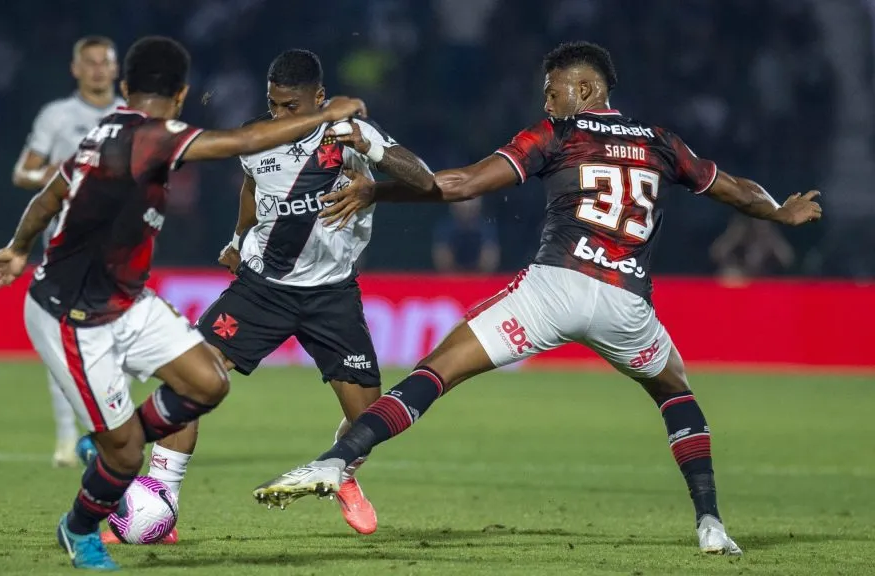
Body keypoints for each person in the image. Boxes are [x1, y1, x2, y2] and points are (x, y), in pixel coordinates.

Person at [253, 41, 823, 556]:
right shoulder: (660, 142)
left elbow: (462, 186)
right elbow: (734, 189)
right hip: (627, 305)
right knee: (676, 393)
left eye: (553, 91)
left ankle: (336, 460)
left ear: (585, 89)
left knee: (438, 369)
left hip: (555, 289)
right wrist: (780, 211)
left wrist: (379, 185)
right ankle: (710, 524)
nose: (547, 101)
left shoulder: (558, 135)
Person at [0, 36, 367, 571]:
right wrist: (333, 112)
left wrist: (20, 246)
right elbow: (241, 142)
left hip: (127, 300)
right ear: (182, 94)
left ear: (122, 87)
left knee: (207, 380)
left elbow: (49, 196)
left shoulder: (103, 132)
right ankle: (80, 528)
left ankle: (120, 448)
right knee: (124, 455)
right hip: (72, 311)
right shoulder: (153, 137)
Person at [91, 48, 433, 542]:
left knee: (371, 417)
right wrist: (236, 239)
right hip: (262, 290)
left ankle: (341, 471)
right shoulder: (257, 140)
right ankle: (160, 501)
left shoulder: (353, 136)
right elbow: (250, 190)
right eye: (274, 105)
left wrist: (373, 172)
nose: (281, 116)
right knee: (190, 381)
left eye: (292, 107)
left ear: (319, 98)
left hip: (332, 295)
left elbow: (423, 179)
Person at [11, 36, 124, 468]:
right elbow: (24, 172)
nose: (97, 70)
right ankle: (66, 440)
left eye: (104, 63)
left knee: (114, 341)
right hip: (67, 247)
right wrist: (65, 175)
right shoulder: (58, 116)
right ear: (76, 69)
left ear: (116, 70)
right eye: (90, 63)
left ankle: (108, 430)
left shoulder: (129, 115)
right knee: (66, 340)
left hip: (121, 247)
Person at [432, 197, 500, 273]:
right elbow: (443, 264)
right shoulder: (444, 229)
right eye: (462, 200)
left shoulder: (486, 229)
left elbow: (489, 263)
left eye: (472, 200)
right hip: (451, 281)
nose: (467, 205)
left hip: (480, 281)